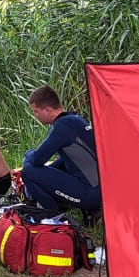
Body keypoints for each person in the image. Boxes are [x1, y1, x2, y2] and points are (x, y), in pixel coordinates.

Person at [20, 85, 100, 217]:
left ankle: (52, 215)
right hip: (101, 191)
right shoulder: (75, 119)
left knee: (28, 171)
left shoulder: (61, 126)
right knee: (61, 161)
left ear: (47, 110)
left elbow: (38, 159)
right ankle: (59, 204)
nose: (35, 115)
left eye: (36, 111)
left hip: (89, 195)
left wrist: (27, 154)